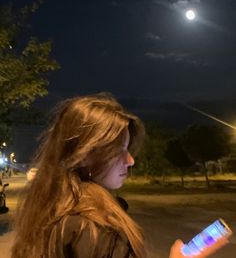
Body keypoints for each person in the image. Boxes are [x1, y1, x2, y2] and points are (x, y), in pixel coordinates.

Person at [11, 93, 228, 258]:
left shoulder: (50, 209)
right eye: (119, 150)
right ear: (84, 154)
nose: (130, 160)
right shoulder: (95, 229)